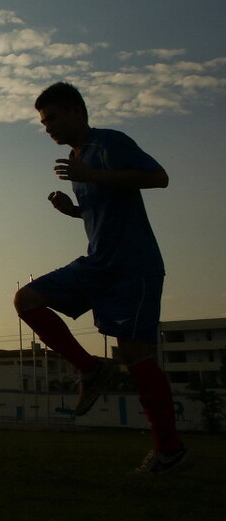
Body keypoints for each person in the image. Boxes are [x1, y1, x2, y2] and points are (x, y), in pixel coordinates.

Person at [14, 82, 190, 476]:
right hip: (98, 263)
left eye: (54, 118)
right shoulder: (78, 160)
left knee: (135, 355)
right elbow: (104, 207)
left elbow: (158, 178)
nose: (48, 129)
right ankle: (90, 369)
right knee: (27, 300)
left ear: (77, 111)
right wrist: (74, 211)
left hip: (134, 266)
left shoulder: (108, 143)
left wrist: (91, 174)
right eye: (43, 123)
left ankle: (169, 450)